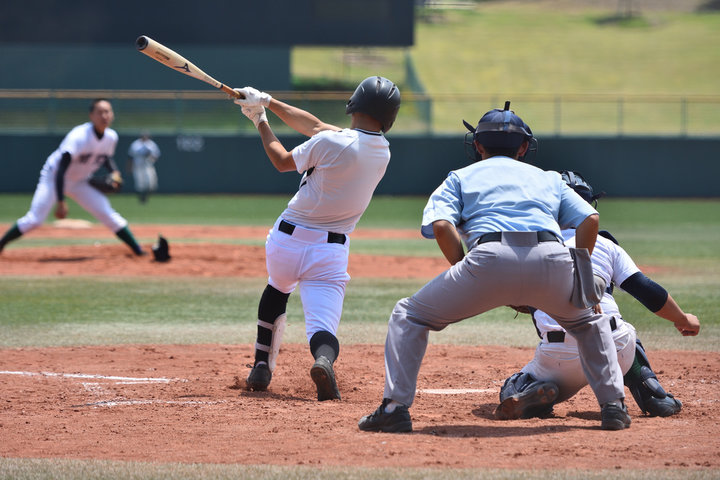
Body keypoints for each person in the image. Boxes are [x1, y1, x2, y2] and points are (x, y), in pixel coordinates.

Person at [359, 101, 637, 433]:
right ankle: (613, 407)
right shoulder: (548, 178)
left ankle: (394, 408)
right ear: (523, 147)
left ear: (477, 145)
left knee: (410, 315)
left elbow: (442, 227)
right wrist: (580, 274)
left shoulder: (459, 177)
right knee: (589, 322)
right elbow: (590, 218)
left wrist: (467, 272)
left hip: (488, 256)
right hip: (552, 258)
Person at [231, 76, 401, 401]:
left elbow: (282, 161)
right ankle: (323, 360)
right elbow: (318, 126)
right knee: (322, 326)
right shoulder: (383, 151)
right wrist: (267, 100)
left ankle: (261, 365)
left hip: (285, 242)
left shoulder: (330, 143)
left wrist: (261, 120)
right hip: (330, 251)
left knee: (277, 290)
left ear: (355, 103)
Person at [495, 170, 700, 420]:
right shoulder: (606, 244)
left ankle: (531, 391)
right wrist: (682, 318)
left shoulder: (529, 245)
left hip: (559, 360)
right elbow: (646, 290)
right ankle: (652, 392)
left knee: (512, 387)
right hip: (613, 347)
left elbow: (505, 291)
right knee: (623, 332)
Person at [0, 98, 145, 256]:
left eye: (108, 111)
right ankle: (1, 244)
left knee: (107, 213)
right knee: (35, 219)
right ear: (91, 115)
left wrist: (114, 172)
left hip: (80, 181)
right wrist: (61, 201)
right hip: (54, 178)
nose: (105, 115)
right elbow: (61, 169)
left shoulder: (111, 137)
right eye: (100, 112)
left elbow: (105, 157)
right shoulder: (79, 136)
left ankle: (138, 251)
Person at [127, 130, 161, 203]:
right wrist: (129, 167)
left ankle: (146, 197)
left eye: (146, 135)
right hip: (138, 166)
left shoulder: (151, 144)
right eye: (143, 135)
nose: (145, 137)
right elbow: (130, 156)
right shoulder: (135, 144)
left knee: (151, 183)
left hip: (148, 166)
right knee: (140, 184)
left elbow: (156, 155)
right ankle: (142, 198)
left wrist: (149, 155)